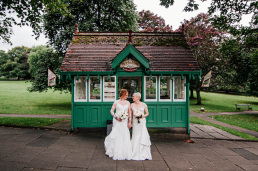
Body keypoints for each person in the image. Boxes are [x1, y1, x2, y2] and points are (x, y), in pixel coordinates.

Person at [104, 89, 132, 160]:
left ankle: (124, 151)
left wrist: (129, 122)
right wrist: (116, 117)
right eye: (126, 95)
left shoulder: (128, 103)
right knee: (117, 134)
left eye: (127, 95)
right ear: (122, 94)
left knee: (124, 134)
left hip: (124, 121)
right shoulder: (116, 102)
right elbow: (111, 111)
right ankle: (114, 150)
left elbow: (129, 113)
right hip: (117, 121)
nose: (127, 96)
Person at [130, 92, 152, 160]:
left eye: (133, 96)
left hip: (141, 122)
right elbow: (130, 115)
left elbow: (147, 113)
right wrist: (130, 122)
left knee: (142, 135)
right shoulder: (131, 105)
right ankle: (134, 152)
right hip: (135, 122)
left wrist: (141, 116)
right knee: (135, 135)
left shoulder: (143, 104)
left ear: (138, 97)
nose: (132, 97)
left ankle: (143, 151)